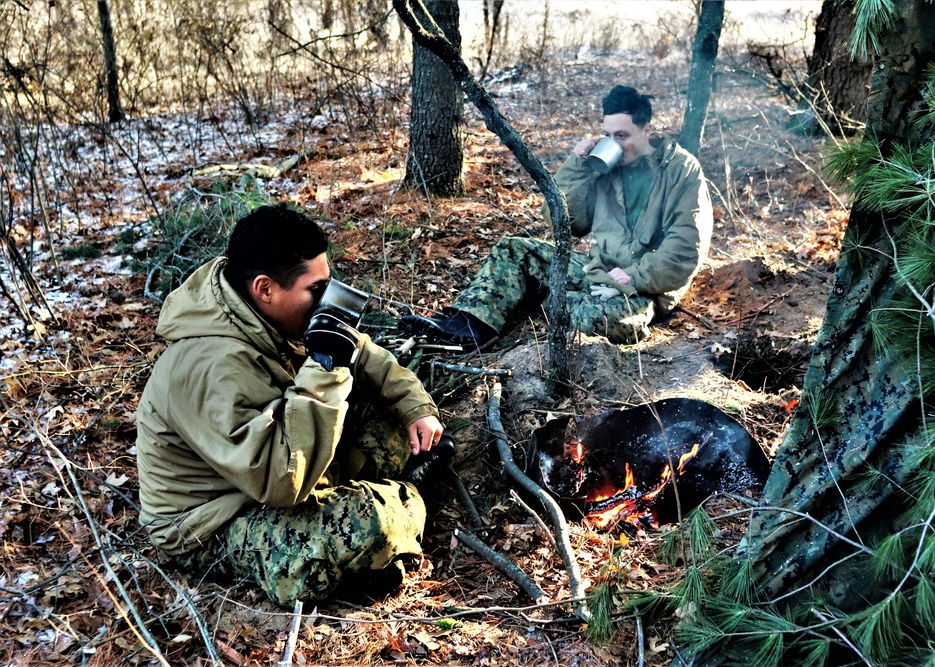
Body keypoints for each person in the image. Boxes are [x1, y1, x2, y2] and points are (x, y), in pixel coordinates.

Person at [136, 204, 444, 607]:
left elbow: (362, 352)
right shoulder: (212, 364)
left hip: (270, 468)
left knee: (388, 418)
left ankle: (395, 506)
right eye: (316, 290)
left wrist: (415, 408)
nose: (325, 300)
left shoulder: (258, 310)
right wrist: (324, 368)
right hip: (211, 521)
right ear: (265, 289)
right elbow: (281, 482)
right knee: (368, 521)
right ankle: (410, 494)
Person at [398, 85, 713, 349]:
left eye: (622, 136)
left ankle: (540, 298)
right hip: (599, 270)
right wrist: (578, 166)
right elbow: (565, 222)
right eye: (607, 134)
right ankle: (468, 326)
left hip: (646, 289)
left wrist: (631, 278)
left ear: (648, 130)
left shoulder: (680, 171)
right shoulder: (604, 165)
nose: (613, 144)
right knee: (513, 249)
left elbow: (684, 252)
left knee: (591, 318)